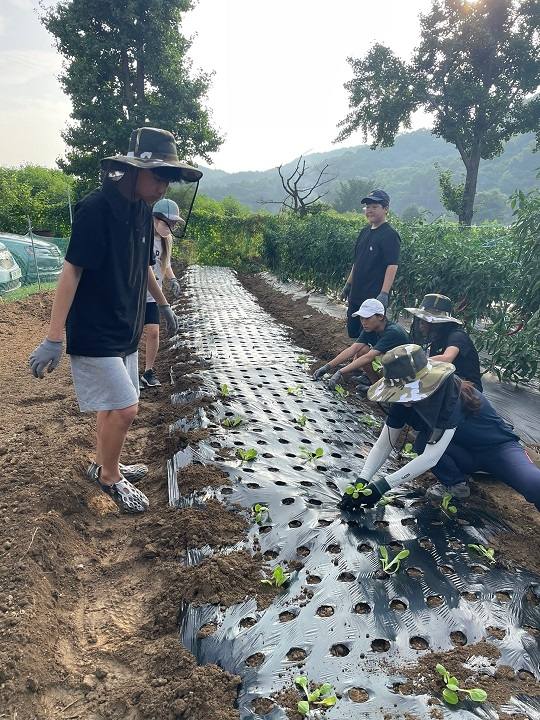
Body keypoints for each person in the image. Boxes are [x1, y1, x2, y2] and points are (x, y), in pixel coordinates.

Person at [29, 127, 202, 513]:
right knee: (126, 409)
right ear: (135, 168)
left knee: (114, 406)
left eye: (168, 180)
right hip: (95, 327)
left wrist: (163, 305)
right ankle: (111, 479)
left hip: (126, 326)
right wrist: (54, 336)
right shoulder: (96, 209)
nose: (162, 188)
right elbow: (71, 271)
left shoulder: (141, 212)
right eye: (159, 176)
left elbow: (143, 269)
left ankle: (104, 464)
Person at [339, 344, 540, 510]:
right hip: (459, 453)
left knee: (533, 484)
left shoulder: (451, 397)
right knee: (421, 443)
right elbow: (385, 444)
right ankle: (457, 485)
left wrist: (382, 486)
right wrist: (362, 481)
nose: (404, 398)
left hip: (496, 450)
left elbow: (431, 458)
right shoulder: (402, 400)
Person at [340, 189, 400, 338]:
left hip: (373, 297)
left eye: (374, 207)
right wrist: (348, 285)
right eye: (367, 207)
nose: (370, 210)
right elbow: (357, 262)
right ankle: (357, 360)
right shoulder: (364, 232)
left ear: (385, 209)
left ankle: (363, 361)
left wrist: (384, 294)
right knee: (354, 333)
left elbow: (392, 266)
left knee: (369, 338)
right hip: (356, 294)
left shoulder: (390, 235)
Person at [313, 298, 408, 390]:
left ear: (380, 316)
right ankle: (375, 386)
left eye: (367, 318)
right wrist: (327, 367)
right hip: (388, 364)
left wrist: (340, 372)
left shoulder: (392, 332)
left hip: (403, 372)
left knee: (366, 355)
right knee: (362, 351)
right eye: (361, 318)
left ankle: (383, 390)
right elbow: (353, 349)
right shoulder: (370, 328)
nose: (363, 322)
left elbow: (368, 357)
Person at [140, 198, 183, 389]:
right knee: (132, 335)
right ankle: (129, 372)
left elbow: (164, 265)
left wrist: (172, 279)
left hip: (153, 295)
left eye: (174, 223)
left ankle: (148, 372)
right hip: (135, 295)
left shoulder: (167, 240)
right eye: (169, 222)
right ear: (155, 219)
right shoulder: (142, 236)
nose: (171, 227)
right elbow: (146, 269)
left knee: (154, 332)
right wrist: (165, 305)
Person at [406, 293, 483, 391]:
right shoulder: (437, 339)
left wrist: (414, 364)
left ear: (435, 324)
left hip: (468, 390)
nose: (420, 326)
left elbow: (447, 358)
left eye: (423, 322)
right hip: (447, 382)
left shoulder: (457, 336)